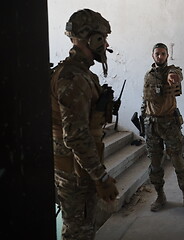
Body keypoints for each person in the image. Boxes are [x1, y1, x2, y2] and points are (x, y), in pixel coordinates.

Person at [51, 9, 119, 240]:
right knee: (79, 232)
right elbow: (76, 137)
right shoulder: (74, 78)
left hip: (77, 167)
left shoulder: (82, 75)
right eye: (103, 38)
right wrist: (100, 177)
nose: (106, 44)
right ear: (93, 39)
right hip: (75, 172)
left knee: (85, 227)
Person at [141, 43, 184, 215]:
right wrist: (143, 120)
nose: (160, 56)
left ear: (167, 56)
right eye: (157, 53)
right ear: (152, 55)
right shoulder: (148, 76)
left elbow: (177, 73)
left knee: (178, 161)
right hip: (152, 125)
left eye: (163, 54)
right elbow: (145, 99)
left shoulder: (172, 71)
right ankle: (160, 196)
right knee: (155, 164)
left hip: (169, 124)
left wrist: (173, 76)